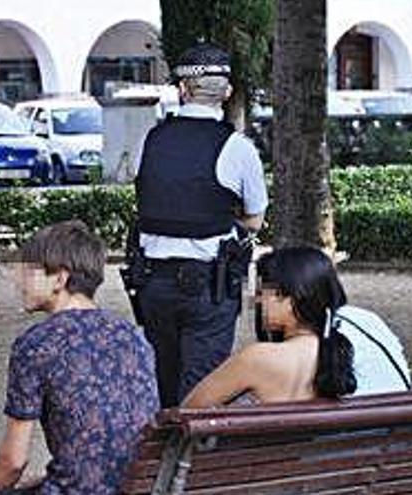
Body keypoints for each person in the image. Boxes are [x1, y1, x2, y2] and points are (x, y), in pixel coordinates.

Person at [0, 221, 159, 494]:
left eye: (29, 271)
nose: (18, 280)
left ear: (59, 279)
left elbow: (14, 461)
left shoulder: (38, 344)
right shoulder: (133, 336)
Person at [132, 42, 269, 407]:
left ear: (182, 90)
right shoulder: (237, 147)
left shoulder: (153, 139)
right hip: (208, 285)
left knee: (165, 381)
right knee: (202, 392)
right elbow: (255, 220)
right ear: (226, 92)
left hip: (153, 285)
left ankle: (165, 458)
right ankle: (191, 463)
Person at [182, 247, 411, 408]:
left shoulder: (260, 359)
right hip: (388, 462)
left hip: (314, 470)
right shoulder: (367, 322)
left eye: (264, 293)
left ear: (290, 298)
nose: (257, 302)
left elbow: (188, 411)